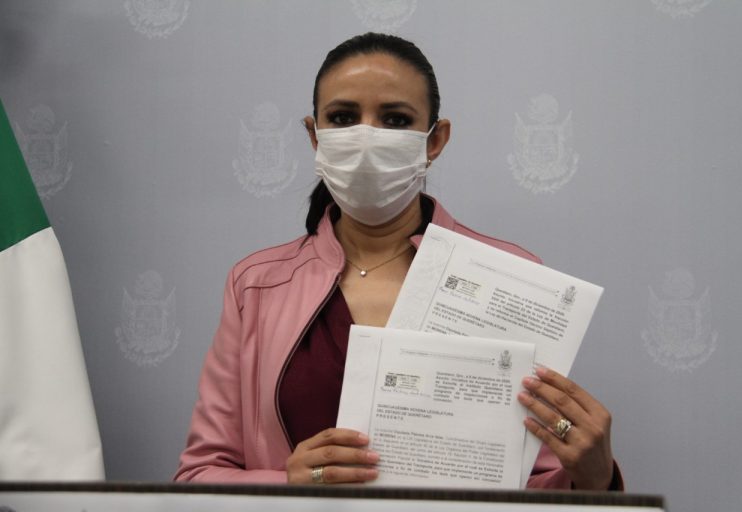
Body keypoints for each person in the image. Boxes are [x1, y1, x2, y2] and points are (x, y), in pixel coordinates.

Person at [174, 32, 621, 491]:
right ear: (315, 136)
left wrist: (593, 476)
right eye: (343, 118)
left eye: (395, 119)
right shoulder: (256, 286)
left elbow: (534, 484)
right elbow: (198, 475)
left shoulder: (512, 280)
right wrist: (288, 485)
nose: (367, 138)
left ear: (435, 140)